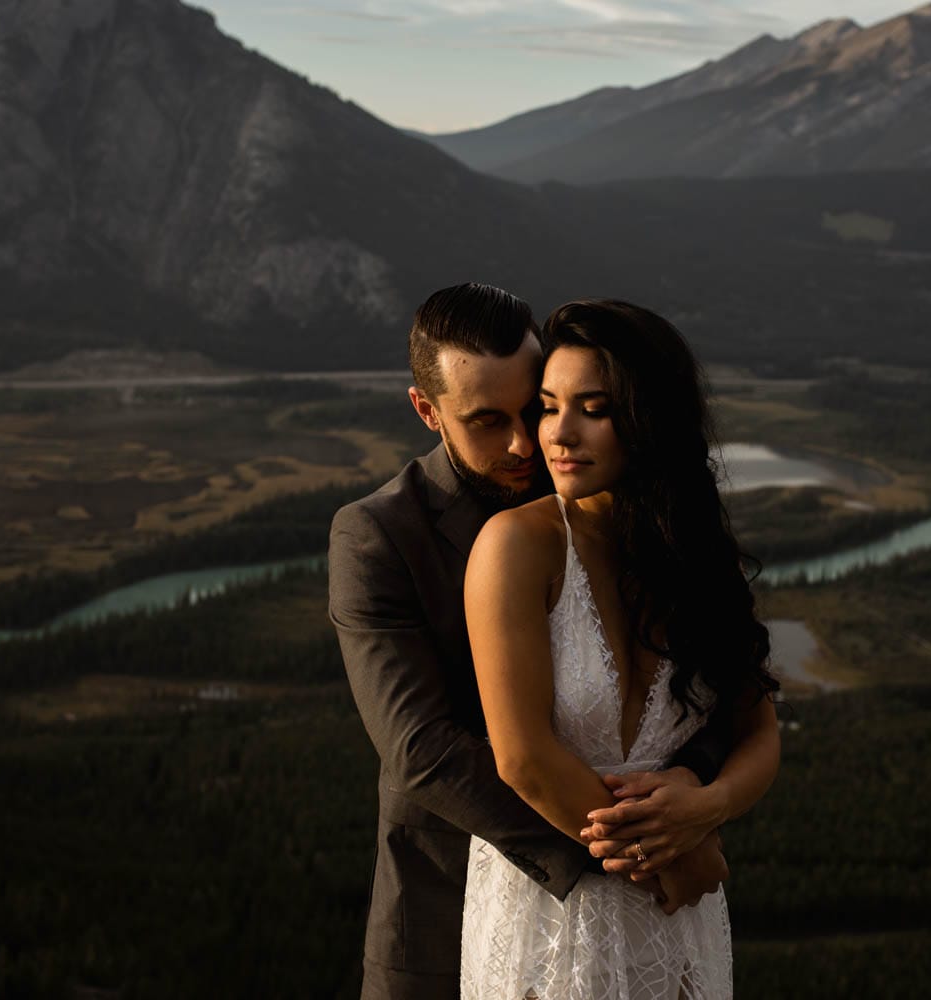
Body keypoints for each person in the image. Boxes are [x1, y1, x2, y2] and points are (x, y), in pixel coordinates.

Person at [328, 284, 732, 1000]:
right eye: (487, 421)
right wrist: (641, 857)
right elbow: (424, 751)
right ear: (427, 411)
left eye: (534, 405)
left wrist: (691, 794)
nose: (528, 443)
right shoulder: (379, 537)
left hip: (655, 911)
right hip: (447, 910)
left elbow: (702, 676)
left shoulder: (613, 499)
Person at [459, 299, 781, 1000]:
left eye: (593, 408)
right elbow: (522, 759)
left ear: (648, 418)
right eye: (548, 406)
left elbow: (759, 732)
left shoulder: (696, 560)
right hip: (558, 912)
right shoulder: (517, 546)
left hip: (683, 915)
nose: (559, 433)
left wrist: (710, 807)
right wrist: (672, 857)